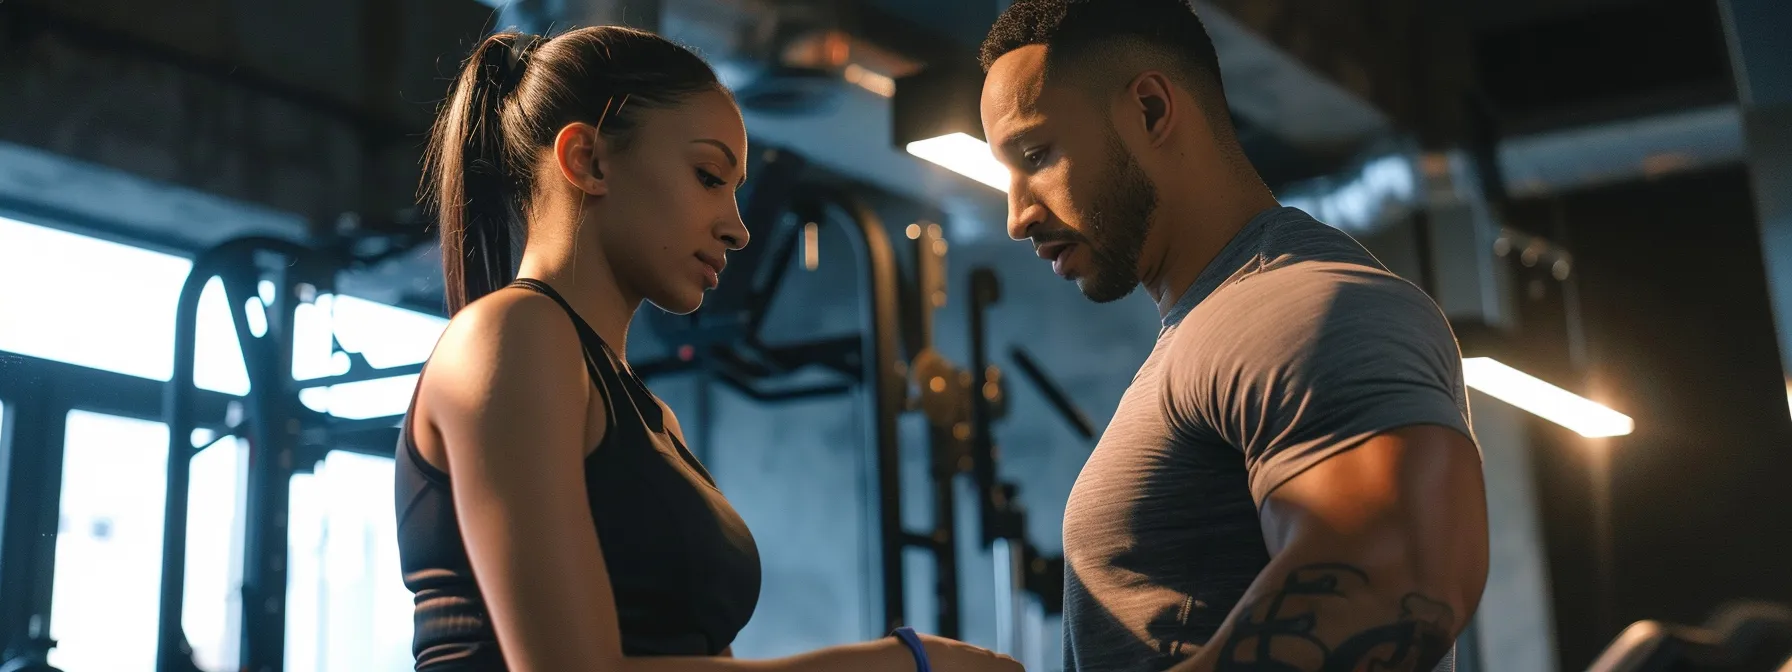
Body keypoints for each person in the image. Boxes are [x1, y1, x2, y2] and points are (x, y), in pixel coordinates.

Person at [396, 25, 1023, 672]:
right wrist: (903, 664)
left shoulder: (653, 420)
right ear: (588, 160)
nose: (737, 225)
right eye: (707, 175)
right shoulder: (510, 335)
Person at [976, 1, 1491, 671]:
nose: (1017, 216)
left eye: (1038, 154)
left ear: (1152, 111)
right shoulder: (1207, 333)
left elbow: (1400, 579)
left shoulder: (1299, 305)